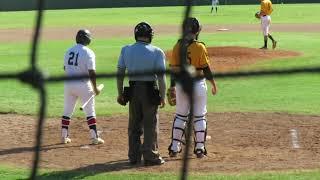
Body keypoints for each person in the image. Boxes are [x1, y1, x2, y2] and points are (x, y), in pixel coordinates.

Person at [116, 22, 166, 166]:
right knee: (150, 125)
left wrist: (120, 93)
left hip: (132, 90)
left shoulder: (125, 49)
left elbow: (120, 73)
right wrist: (162, 96)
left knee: (134, 125)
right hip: (150, 90)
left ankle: (133, 156)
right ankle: (151, 157)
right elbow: (162, 78)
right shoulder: (157, 51)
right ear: (150, 35)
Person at [167, 17, 217, 159]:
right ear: (196, 31)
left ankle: (174, 148)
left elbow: (173, 69)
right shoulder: (200, 46)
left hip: (182, 84)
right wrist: (213, 84)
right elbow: (206, 69)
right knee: (200, 116)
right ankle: (200, 148)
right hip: (198, 84)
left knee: (180, 115)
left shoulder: (177, 46)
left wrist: (172, 87)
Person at [60, 29, 104, 145]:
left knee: (67, 110)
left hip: (69, 84)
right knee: (90, 111)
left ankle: (64, 136)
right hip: (83, 85)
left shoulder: (69, 50)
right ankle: (94, 137)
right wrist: (95, 89)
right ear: (87, 39)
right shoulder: (89, 52)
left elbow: (65, 68)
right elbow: (92, 72)